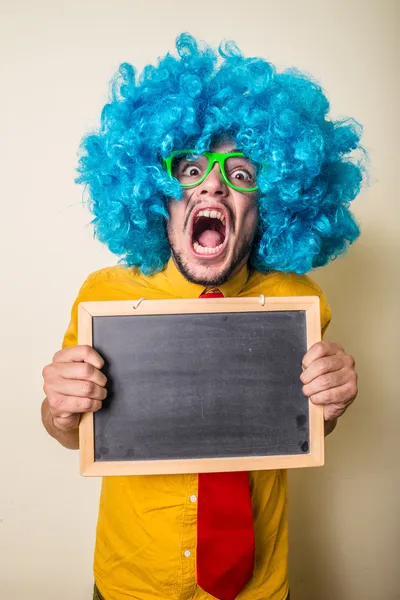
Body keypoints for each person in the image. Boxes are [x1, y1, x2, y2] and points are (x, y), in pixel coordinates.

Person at [41, 34, 363, 600]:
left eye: (240, 174)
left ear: (270, 205)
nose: (212, 182)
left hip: (261, 587)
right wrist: (60, 410)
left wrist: (330, 402)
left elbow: (303, 422)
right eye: (189, 168)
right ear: (156, 195)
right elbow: (68, 428)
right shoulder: (104, 297)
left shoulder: (300, 301)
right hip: (133, 582)